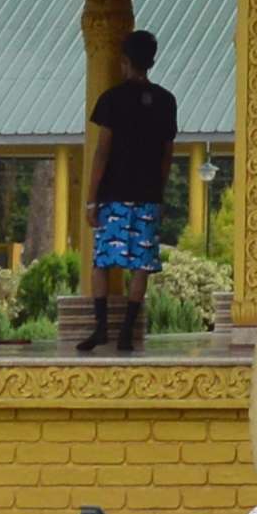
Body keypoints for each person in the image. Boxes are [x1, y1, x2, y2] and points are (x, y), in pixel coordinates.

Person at [76, 27, 181, 355]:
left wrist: (92, 197)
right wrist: (158, 191)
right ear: (151, 60)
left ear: (124, 61)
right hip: (148, 193)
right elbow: (167, 154)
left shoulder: (112, 99)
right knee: (141, 262)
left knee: (103, 262)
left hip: (113, 194)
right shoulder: (165, 101)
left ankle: (101, 327)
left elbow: (102, 151)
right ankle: (126, 332)